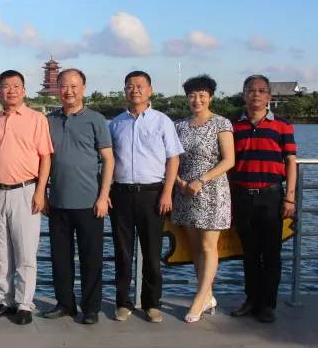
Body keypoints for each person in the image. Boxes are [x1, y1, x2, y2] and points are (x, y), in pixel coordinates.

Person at [109, 70, 183, 323]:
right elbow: (108, 160)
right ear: (125, 91)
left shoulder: (162, 121)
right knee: (122, 253)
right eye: (130, 86)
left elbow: (173, 159)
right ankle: (123, 303)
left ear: (150, 90)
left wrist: (167, 192)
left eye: (140, 85)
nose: (135, 90)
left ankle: (152, 303)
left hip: (153, 194)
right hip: (120, 194)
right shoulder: (116, 123)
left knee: (152, 254)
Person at [44, 69, 114, 325]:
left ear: (83, 88)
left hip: (90, 203)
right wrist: (43, 194)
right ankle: (65, 304)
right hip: (57, 202)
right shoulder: (49, 120)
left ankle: (91, 308)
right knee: (60, 259)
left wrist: (103, 196)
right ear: (58, 89)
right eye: (64, 86)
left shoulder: (96, 120)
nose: (69, 91)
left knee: (91, 258)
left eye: (74, 86)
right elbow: (44, 160)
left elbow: (108, 160)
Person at [0, 70, 53, 325]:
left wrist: (40, 191)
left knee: (25, 252)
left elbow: (45, 157)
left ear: (24, 90)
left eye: (16, 86)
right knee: (1, 252)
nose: (11, 90)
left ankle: (25, 303)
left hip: (26, 191)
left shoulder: (37, 119)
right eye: (6, 86)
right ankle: (6, 300)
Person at [229, 75, 297, 323]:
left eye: (261, 90)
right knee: (249, 253)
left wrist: (290, 198)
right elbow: (228, 163)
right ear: (244, 94)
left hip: (271, 196)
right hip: (242, 196)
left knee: (271, 253)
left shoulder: (282, 125)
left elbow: (290, 161)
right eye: (251, 90)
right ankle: (251, 300)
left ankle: (268, 305)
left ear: (269, 96)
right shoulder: (233, 126)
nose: (255, 94)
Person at [171, 75, 235, 323]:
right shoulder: (179, 126)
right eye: (192, 95)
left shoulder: (221, 123)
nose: (197, 100)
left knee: (209, 247)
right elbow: (172, 158)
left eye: (202, 95)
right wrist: (179, 182)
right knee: (195, 248)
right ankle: (207, 295)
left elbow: (228, 160)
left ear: (210, 97)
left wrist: (201, 180)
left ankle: (199, 299)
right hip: (185, 192)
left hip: (212, 192)